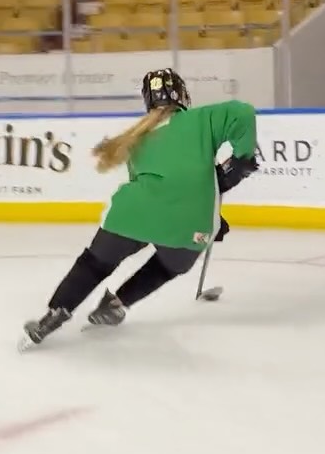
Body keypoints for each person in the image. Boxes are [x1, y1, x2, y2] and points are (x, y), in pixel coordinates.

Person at [19, 68, 258, 349]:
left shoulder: (136, 139)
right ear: (183, 94)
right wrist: (238, 163)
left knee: (95, 263)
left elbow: (159, 190)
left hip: (132, 214)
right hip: (192, 226)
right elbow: (243, 112)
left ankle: (53, 315)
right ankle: (116, 305)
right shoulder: (201, 119)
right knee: (167, 266)